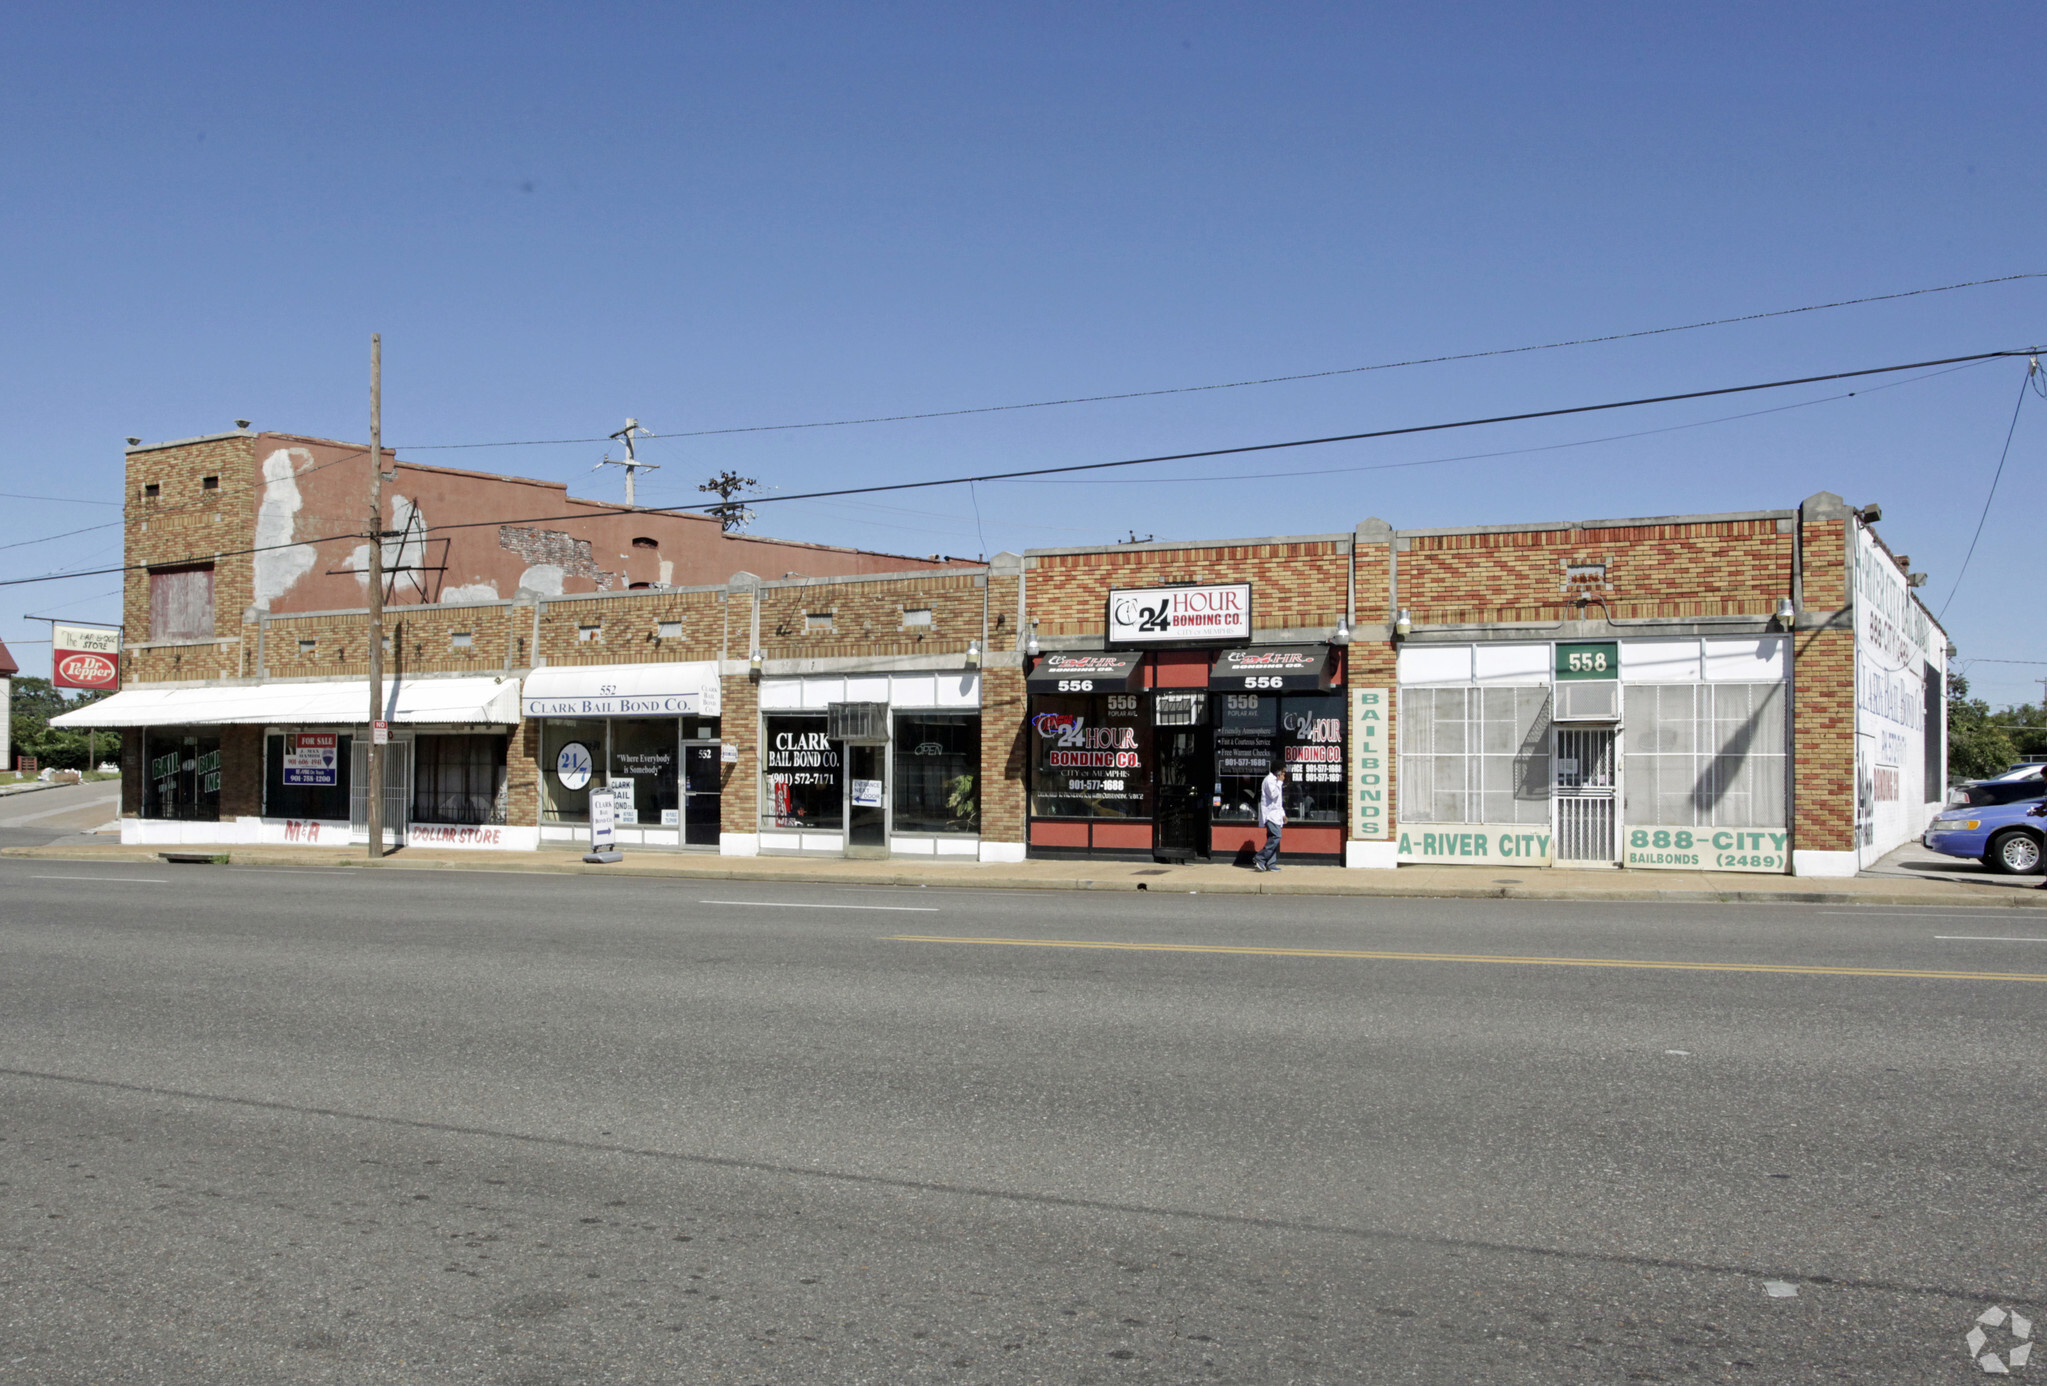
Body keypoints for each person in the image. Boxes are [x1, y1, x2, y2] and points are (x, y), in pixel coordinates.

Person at [1253, 764, 1289, 872]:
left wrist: (1283, 814)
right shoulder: (1269, 780)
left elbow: (1278, 802)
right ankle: (1260, 858)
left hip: (1276, 815)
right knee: (1276, 836)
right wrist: (1280, 782)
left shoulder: (1276, 782)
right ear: (1277, 772)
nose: (1284, 775)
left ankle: (1271, 863)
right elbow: (1273, 795)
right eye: (1282, 773)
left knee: (1273, 839)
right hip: (1270, 815)